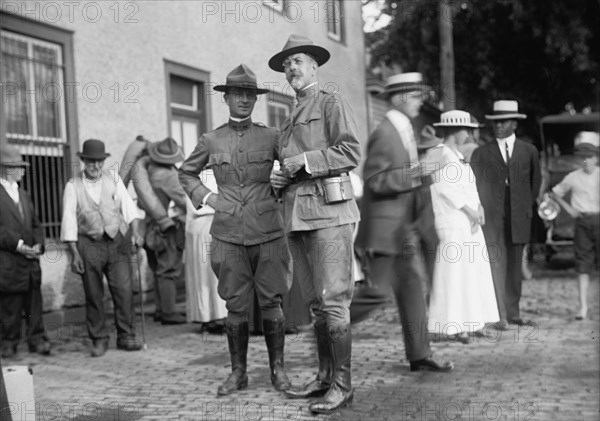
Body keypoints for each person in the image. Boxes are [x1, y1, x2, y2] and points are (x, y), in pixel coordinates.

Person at [178, 64, 292, 396]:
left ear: (255, 100)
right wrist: (208, 197)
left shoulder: (271, 136)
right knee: (235, 306)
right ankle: (238, 373)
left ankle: (278, 371)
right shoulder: (211, 139)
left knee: (272, 302)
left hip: (269, 231)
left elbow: (293, 167)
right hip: (227, 234)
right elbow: (186, 174)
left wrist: (283, 181)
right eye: (237, 94)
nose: (243, 100)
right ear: (226, 98)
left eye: (249, 95)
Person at [268, 34, 361, 415]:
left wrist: (301, 161)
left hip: (329, 214)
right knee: (315, 304)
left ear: (314, 67)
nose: (291, 67)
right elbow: (289, 165)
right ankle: (325, 377)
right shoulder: (289, 115)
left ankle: (343, 384)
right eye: (287, 62)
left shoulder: (330, 101)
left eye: (298, 61)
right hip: (297, 217)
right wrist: (280, 178)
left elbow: (350, 150)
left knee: (334, 301)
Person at [355, 72, 453, 373]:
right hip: (385, 232)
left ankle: (420, 354)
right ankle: (328, 326)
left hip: (404, 230)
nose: (421, 101)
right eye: (415, 95)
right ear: (398, 98)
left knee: (412, 289)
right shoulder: (385, 132)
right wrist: (419, 170)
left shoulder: (405, 129)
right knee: (376, 294)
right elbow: (375, 180)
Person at [61, 139, 144, 357]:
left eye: (99, 161)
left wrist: (135, 232)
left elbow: (129, 209)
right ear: (83, 161)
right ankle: (99, 338)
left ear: (103, 161)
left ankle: (126, 336)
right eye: (91, 161)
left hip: (116, 242)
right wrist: (74, 253)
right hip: (89, 244)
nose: (95, 165)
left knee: (124, 290)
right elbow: (68, 220)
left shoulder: (114, 179)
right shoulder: (73, 186)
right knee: (94, 294)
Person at [425, 111, 500, 342]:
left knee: (474, 272)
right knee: (455, 274)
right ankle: (454, 326)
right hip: (452, 220)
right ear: (454, 131)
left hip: (469, 222)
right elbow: (444, 189)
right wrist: (469, 211)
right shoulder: (440, 153)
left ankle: (474, 321)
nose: (468, 134)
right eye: (465, 130)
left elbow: (469, 186)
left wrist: (479, 208)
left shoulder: (458, 155)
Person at [471, 100, 541, 330]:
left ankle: (514, 312)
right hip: (492, 218)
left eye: (504, 122)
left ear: (514, 124)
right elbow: (475, 185)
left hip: (519, 217)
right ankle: (499, 314)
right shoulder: (481, 153)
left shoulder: (529, 151)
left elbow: (535, 182)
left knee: (515, 266)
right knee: (495, 265)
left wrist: (525, 207)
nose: (498, 126)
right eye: (495, 122)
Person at [0, 143, 50, 359]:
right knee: (10, 305)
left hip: (31, 262)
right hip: (9, 261)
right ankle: (9, 342)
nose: (22, 170)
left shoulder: (24, 194)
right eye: (18, 166)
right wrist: (19, 245)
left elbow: (37, 224)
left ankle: (37, 339)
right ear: (5, 168)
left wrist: (39, 245)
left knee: (34, 303)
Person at [550, 138, 599, 320]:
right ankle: (583, 307)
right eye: (583, 158)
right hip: (583, 222)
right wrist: (569, 209)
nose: (587, 161)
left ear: (596, 159)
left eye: (590, 157)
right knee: (582, 265)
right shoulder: (574, 177)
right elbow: (554, 193)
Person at [141, 137, 188, 325]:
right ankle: (169, 312)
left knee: (158, 270)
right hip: (168, 229)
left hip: (151, 227)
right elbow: (185, 200)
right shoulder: (168, 176)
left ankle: (161, 310)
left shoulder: (150, 170)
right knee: (168, 269)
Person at [184, 170, 227, 331]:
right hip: (209, 224)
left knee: (205, 274)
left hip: (203, 226)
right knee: (208, 273)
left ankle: (210, 317)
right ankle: (214, 317)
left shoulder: (192, 177)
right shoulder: (208, 176)